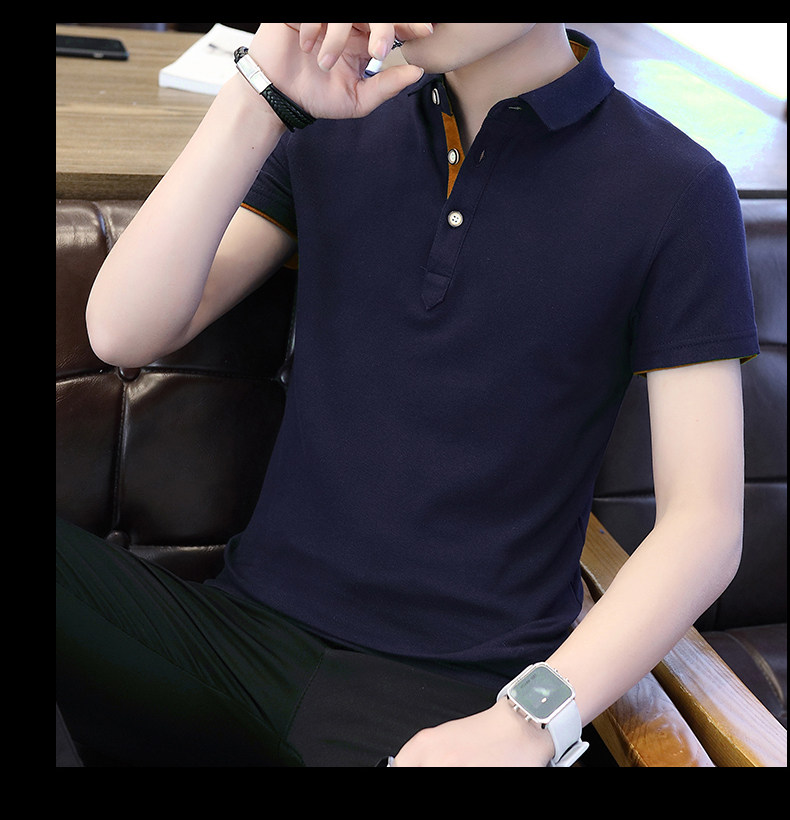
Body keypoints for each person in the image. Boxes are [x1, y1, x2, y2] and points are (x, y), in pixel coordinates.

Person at [57, 23, 759, 767]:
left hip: (458, 699)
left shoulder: (676, 189)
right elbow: (123, 332)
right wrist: (261, 95)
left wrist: (531, 720)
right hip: (235, 642)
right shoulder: (333, 120)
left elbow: (704, 524)